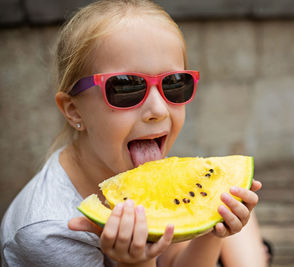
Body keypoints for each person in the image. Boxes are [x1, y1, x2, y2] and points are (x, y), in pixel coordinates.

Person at [0, 0, 268, 266]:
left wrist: (212, 230)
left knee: (227, 194)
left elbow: (174, 261)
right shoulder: (49, 233)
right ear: (74, 110)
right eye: (126, 86)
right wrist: (136, 264)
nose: (159, 110)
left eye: (174, 83)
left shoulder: (129, 163)